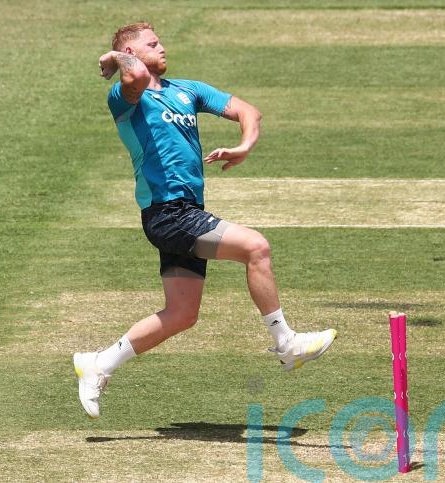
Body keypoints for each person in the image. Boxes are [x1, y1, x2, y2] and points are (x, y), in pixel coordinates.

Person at [74, 22, 337, 418]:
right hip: (167, 213)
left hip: (186, 213)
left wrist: (244, 145)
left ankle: (99, 364)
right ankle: (287, 344)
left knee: (182, 313)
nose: (162, 47)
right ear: (130, 51)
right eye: (151, 43)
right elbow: (137, 75)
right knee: (256, 247)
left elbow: (248, 111)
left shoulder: (187, 90)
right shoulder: (124, 97)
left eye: (160, 40)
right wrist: (116, 58)